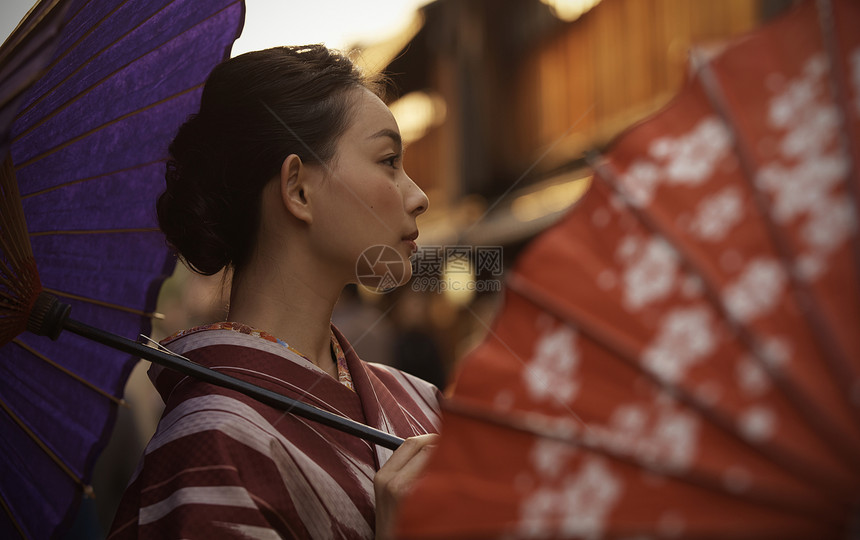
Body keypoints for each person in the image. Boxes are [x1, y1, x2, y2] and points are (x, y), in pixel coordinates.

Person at [108, 45, 441, 540]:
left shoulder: (420, 400)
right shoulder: (209, 446)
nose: (419, 196)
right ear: (298, 190)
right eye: (389, 160)